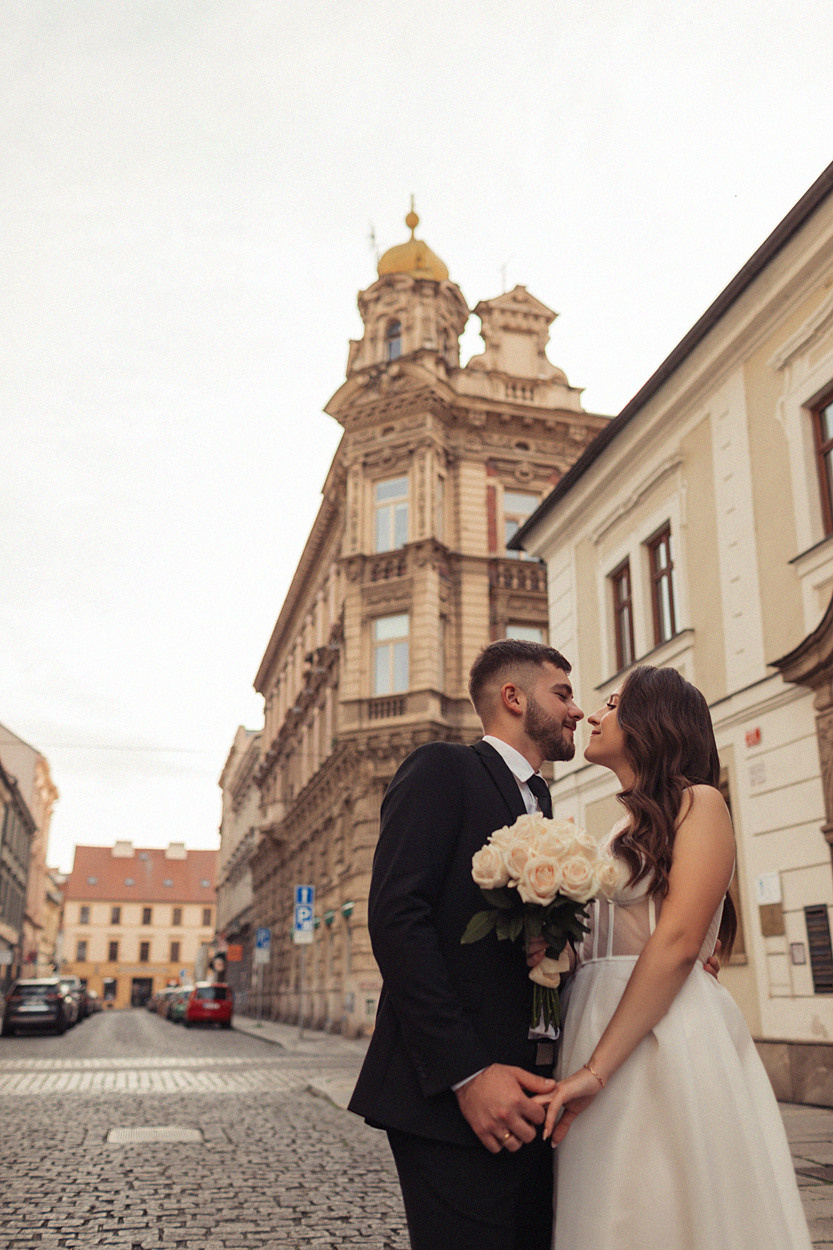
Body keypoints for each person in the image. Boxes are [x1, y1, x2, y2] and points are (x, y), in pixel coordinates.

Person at [533, 665, 812, 1249]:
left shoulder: (700, 804)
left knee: (663, 1204)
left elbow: (681, 941)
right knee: (605, 1209)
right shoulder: (619, 832)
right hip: (593, 1022)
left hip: (662, 1037)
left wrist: (594, 1071)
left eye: (612, 703)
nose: (592, 714)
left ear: (651, 723)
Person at [348, 639, 584, 1250]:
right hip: (453, 1099)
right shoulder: (441, 768)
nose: (576, 711)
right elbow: (397, 919)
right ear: (514, 698)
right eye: (562, 693)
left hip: (532, 1094)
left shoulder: (545, 800)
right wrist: (468, 1074)